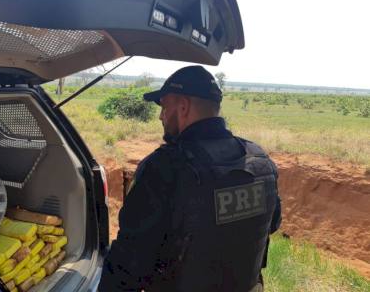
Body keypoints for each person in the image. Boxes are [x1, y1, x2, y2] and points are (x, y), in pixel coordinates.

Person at [98, 65, 281, 292]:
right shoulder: (260, 161)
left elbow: (128, 264)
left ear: (183, 107)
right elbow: (271, 224)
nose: (160, 116)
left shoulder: (164, 168)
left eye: (164, 107)